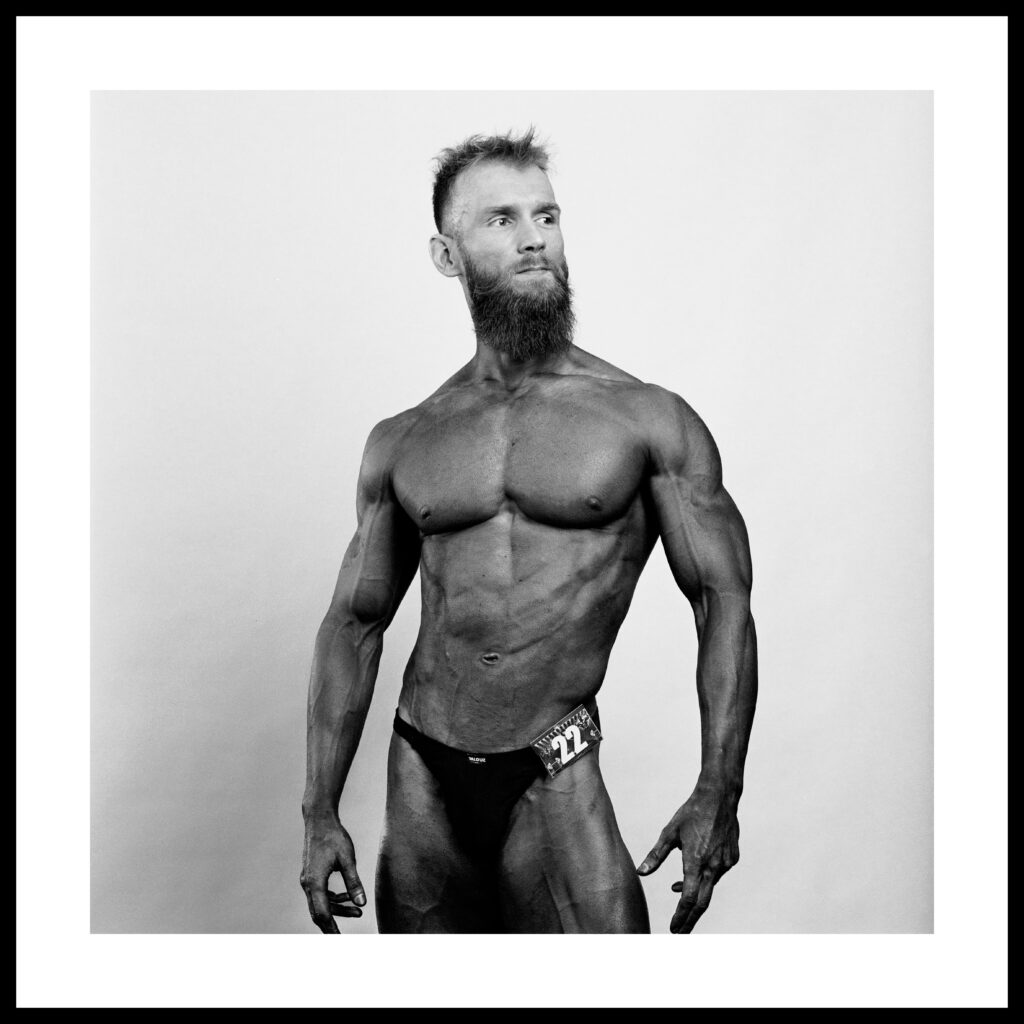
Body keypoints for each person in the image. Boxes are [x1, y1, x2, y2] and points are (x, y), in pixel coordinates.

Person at [300, 128, 758, 934]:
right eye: (502, 220)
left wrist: (720, 789)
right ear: (447, 256)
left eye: (546, 216)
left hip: (556, 761)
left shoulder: (646, 419)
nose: (534, 238)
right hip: (421, 766)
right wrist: (319, 811)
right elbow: (354, 622)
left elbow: (722, 600)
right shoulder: (406, 437)